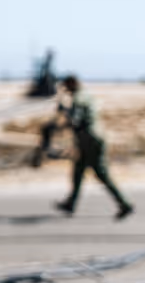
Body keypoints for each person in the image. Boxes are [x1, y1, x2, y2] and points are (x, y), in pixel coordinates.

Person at [55, 75, 134, 219]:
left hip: (89, 140)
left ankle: (124, 204)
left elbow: (75, 121)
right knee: (78, 172)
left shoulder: (78, 99)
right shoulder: (84, 95)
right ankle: (70, 203)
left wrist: (64, 112)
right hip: (90, 139)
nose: (65, 90)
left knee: (101, 174)